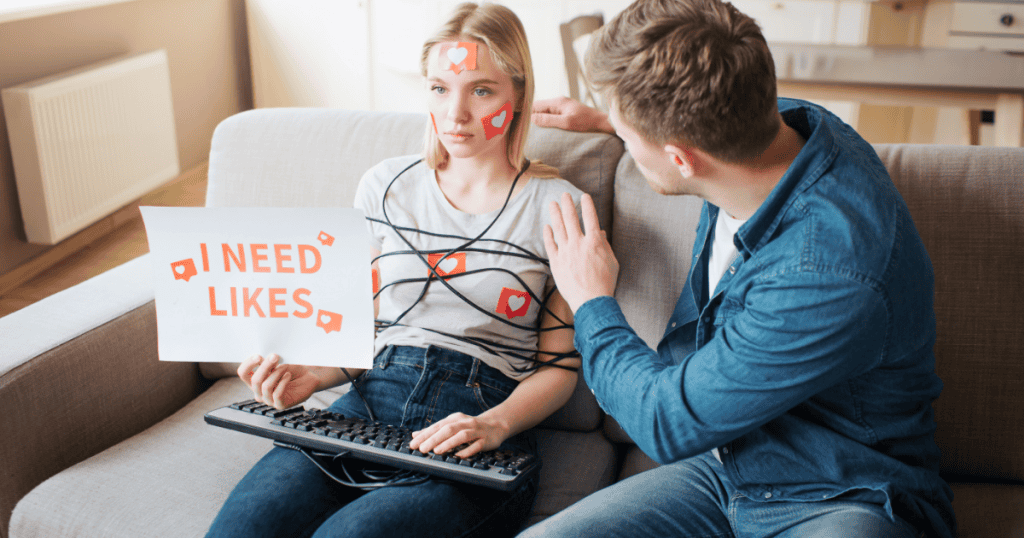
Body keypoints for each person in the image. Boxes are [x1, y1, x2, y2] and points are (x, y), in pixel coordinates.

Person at [523, 0, 956, 537]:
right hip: (726, 468)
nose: (628, 147)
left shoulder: (828, 274)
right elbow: (691, 128)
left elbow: (666, 420)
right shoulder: (767, 124)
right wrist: (614, 122)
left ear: (682, 157)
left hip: (841, 495)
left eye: (634, 142)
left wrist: (591, 300)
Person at [205, 3, 582, 537]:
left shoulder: (559, 206)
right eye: (439, 88)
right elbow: (367, 326)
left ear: (517, 94)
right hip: (363, 406)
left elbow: (561, 368)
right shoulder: (385, 186)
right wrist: (315, 374)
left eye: (481, 90)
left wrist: (494, 424)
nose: (456, 114)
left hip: (474, 429)